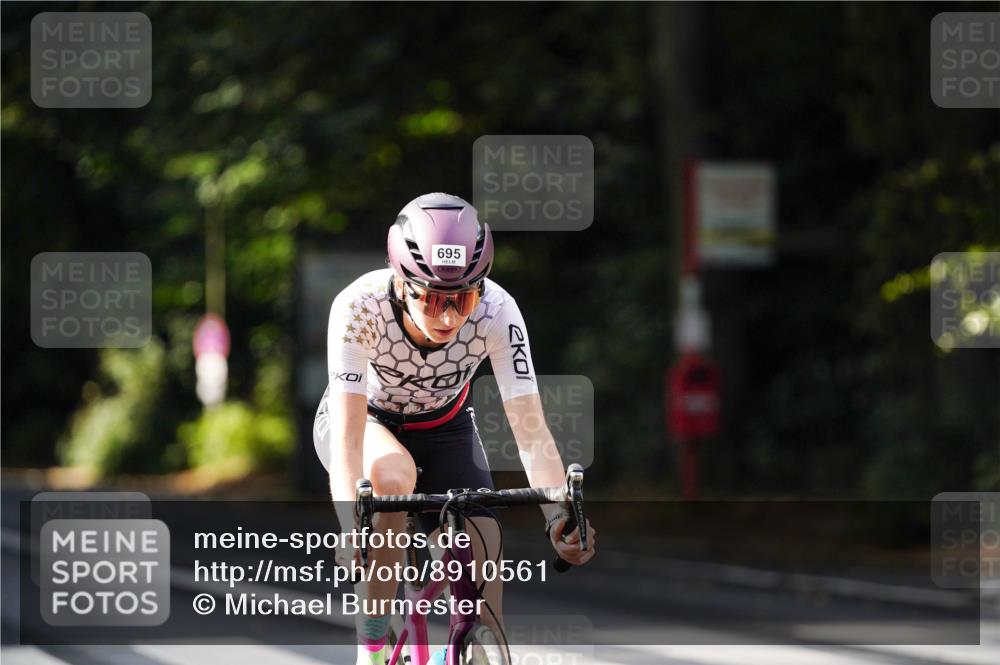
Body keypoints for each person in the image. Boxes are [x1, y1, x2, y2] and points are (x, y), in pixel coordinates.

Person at [313, 192, 596, 665]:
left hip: (445, 428)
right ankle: (374, 648)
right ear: (403, 285)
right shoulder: (358, 309)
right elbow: (346, 438)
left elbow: (530, 430)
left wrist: (558, 518)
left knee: (485, 545)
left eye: (462, 297)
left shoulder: (497, 311)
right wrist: (351, 531)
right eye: (434, 298)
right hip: (368, 424)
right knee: (393, 477)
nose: (449, 316)